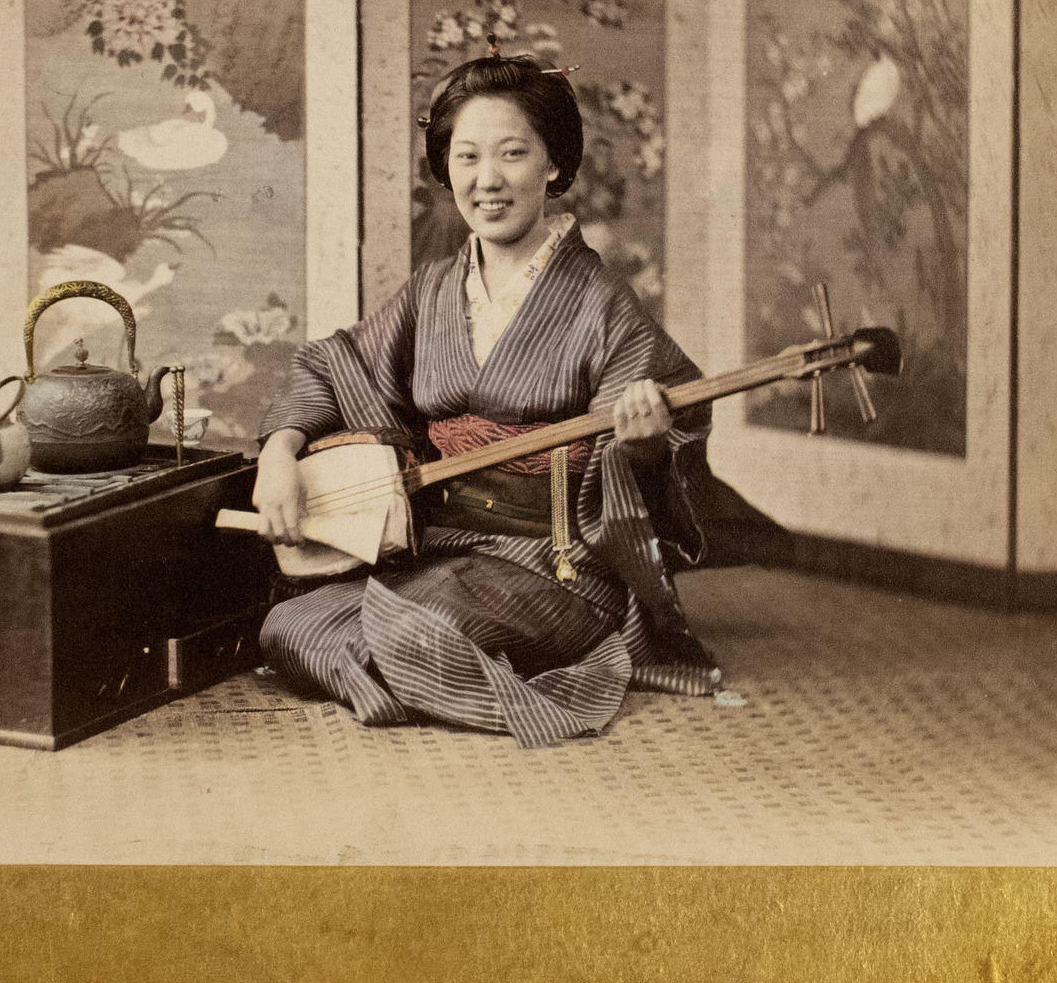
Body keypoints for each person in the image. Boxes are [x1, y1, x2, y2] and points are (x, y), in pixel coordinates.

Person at [251, 52, 724, 748]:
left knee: (426, 619)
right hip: (443, 548)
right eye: (465, 156)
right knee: (286, 625)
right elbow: (334, 365)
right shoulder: (433, 289)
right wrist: (279, 452)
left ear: (554, 164)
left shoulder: (600, 303)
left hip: (556, 564)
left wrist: (643, 444)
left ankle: (434, 659)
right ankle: (426, 660)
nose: (486, 180)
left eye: (511, 153)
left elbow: (662, 463)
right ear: (445, 168)